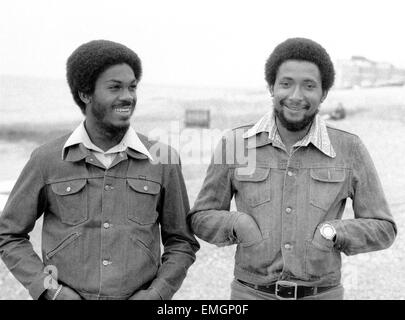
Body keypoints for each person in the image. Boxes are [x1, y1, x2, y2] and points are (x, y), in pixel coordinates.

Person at [188, 38, 396, 300]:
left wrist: (332, 233)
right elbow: (201, 217)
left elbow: (383, 229)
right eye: (286, 84)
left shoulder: (349, 148)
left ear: (324, 93)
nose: (296, 96)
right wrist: (238, 224)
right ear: (271, 87)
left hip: (322, 294)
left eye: (309, 86)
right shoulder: (234, 144)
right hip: (249, 294)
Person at [0, 40, 199, 300]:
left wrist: (157, 294)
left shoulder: (164, 160)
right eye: (115, 87)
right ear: (85, 94)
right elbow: (9, 235)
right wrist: (51, 291)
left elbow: (182, 242)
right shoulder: (46, 160)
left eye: (132, 87)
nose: (127, 96)